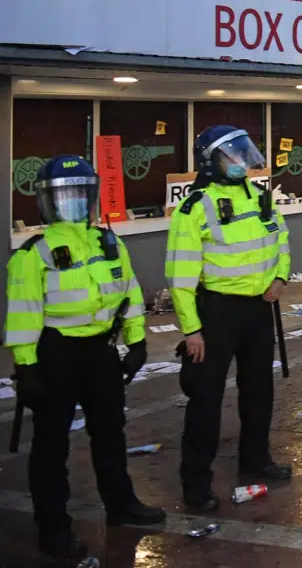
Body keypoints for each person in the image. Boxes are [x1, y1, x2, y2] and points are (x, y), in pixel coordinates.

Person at [5, 156, 164, 561]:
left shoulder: (108, 243)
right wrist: (27, 367)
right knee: (51, 446)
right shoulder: (33, 254)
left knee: (110, 433)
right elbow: (23, 314)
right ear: (47, 201)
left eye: (79, 194)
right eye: (64, 195)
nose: (72, 202)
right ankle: (53, 530)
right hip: (56, 354)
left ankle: (121, 504)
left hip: (100, 353)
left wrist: (137, 341)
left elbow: (129, 292)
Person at [168, 125, 292, 513]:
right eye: (232, 155)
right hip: (217, 312)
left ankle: (256, 459)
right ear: (212, 162)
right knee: (206, 399)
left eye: (243, 152)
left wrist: (280, 277)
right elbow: (180, 276)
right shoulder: (196, 207)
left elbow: (281, 240)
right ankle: (196, 484)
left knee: (259, 391)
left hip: (258, 309)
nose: (241, 160)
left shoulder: (259, 197)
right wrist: (192, 330)